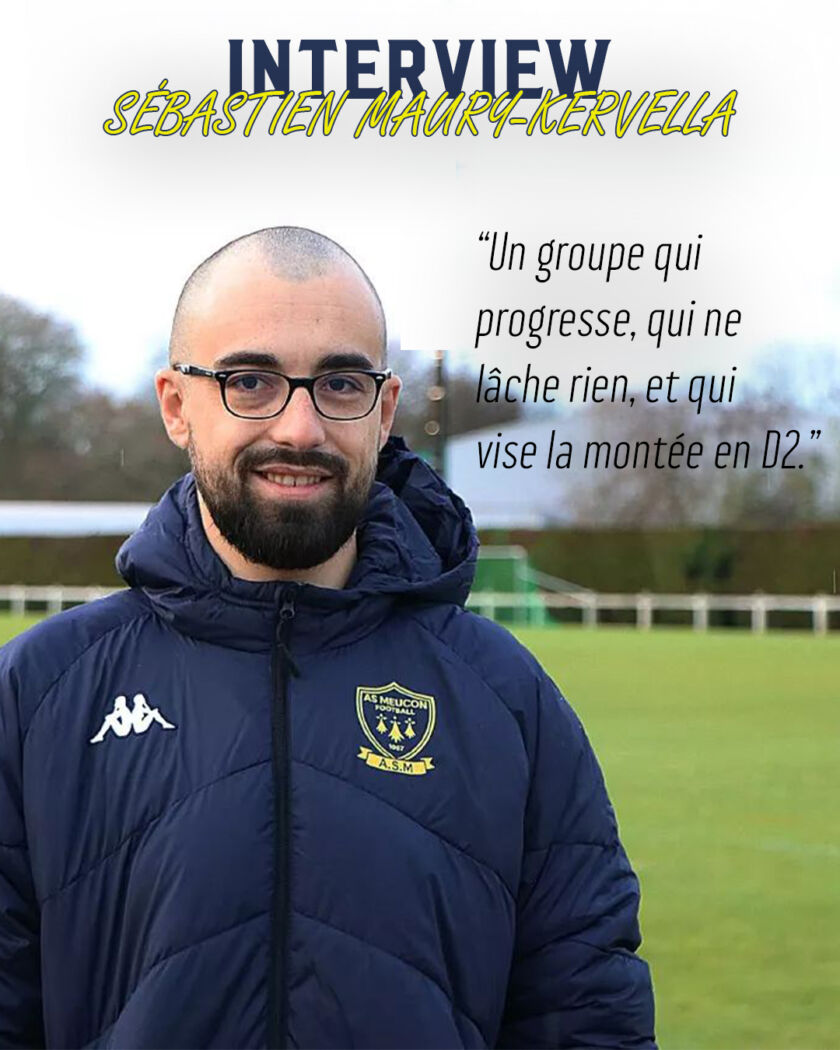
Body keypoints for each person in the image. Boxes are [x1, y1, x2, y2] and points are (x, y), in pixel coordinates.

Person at [0, 226, 656, 1049]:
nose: (300, 428)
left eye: (340, 384)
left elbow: (589, 1016)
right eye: (250, 381)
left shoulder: (507, 700)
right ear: (176, 406)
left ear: (383, 411)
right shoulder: (39, 694)